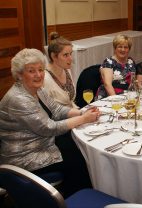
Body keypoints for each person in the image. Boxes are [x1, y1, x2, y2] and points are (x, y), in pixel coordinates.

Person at [0, 48, 100, 197]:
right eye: (31, 71)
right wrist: (83, 119)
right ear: (20, 75)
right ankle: (77, 198)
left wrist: (82, 112)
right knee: (78, 160)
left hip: (43, 142)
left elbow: (57, 109)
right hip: (26, 156)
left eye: (40, 69)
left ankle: (80, 194)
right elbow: (49, 128)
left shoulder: (37, 89)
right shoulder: (19, 99)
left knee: (78, 147)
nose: (39, 75)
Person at [44, 32, 77, 108]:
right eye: (65, 55)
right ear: (54, 56)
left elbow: (71, 101)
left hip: (73, 113)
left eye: (70, 54)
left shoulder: (66, 70)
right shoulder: (45, 78)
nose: (71, 59)